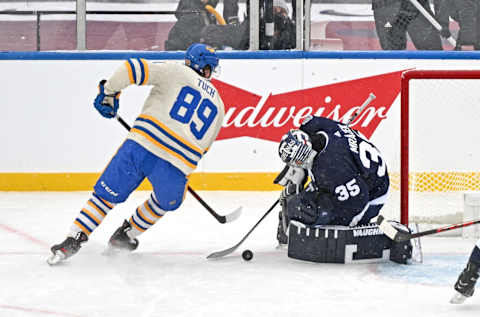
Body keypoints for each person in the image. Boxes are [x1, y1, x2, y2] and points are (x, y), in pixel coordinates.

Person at [47, 43, 225, 265]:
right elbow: (204, 147)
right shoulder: (219, 104)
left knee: (105, 196)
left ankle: (73, 239)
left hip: (141, 146)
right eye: (210, 68)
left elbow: (132, 68)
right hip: (176, 164)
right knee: (168, 201)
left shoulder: (175, 71)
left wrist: (109, 91)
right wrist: (182, 171)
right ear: (204, 67)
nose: (211, 73)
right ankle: (125, 234)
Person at [274, 115, 413, 264]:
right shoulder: (317, 127)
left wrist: (348, 226)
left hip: (372, 195)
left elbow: (358, 201)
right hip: (362, 174)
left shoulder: (331, 168)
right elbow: (309, 122)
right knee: (300, 199)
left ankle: (389, 229)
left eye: (297, 162)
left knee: (303, 209)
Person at [372, 0, 443, 50]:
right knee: (393, 54)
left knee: (432, 50)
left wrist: (442, 18)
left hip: (416, 7)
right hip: (386, 6)